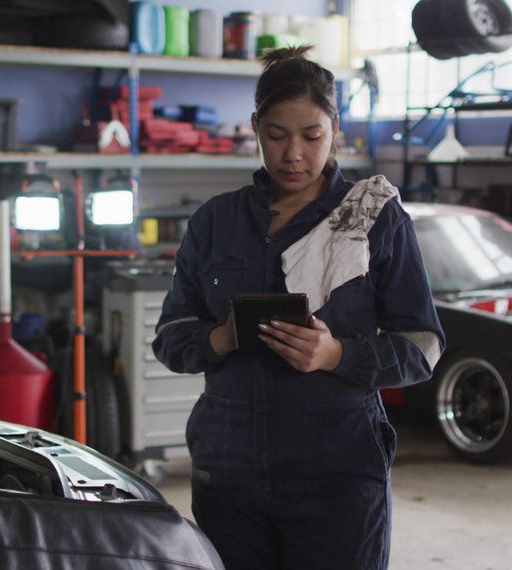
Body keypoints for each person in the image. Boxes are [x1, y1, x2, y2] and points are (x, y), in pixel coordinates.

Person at [152, 45, 444, 570]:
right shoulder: (215, 221)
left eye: (311, 136)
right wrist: (218, 339)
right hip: (229, 470)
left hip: (337, 470)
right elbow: (170, 334)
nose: (294, 155)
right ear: (254, 128)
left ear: (336, 127)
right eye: (276, 135)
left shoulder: (372, 220)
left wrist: (337, 356)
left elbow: (421, 347)